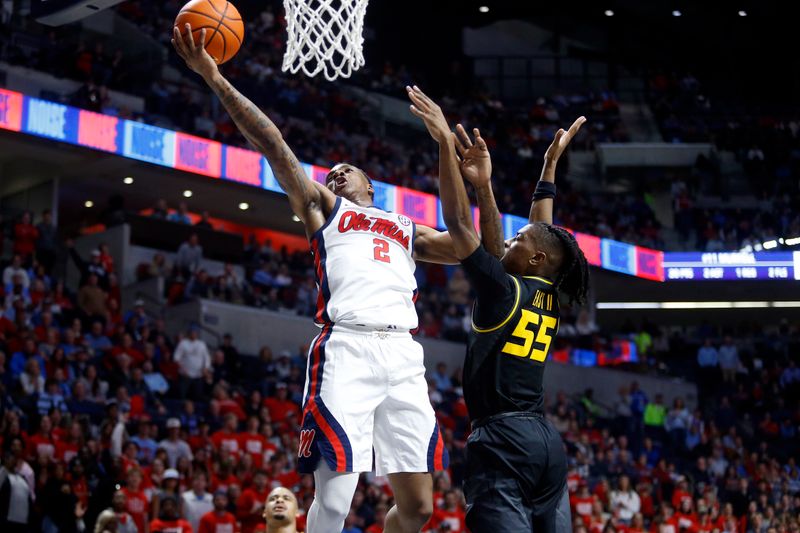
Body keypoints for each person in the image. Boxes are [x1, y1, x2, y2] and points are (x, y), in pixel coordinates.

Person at [173, 27, 503, 533]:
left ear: (372, 184)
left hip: (403, 354)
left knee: (419, 509)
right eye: (331, 173)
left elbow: (474, 247)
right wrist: (215, 78)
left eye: (345, 170)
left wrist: (448, 150)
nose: (335, 175)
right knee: (334, 502)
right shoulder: (323, 209)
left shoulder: (406, 228)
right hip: (346, 347)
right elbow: (274, 143)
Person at [407, 85, 588, 532]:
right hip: (545, 444)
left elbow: (458, 222)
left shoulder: (502, 292)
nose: (508, 241)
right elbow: (541, 228)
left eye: (516, 240)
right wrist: (548, 167)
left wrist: (445, 147)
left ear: (534, 260)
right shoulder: (547, 291)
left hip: (502, 440)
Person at [0, 449, 31, 532]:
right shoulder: (2, 474)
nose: (13, 461)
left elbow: (28, 498)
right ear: (5, 459)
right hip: (7, 520)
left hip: (22, 520)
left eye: (15, 459)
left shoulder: (22, 478)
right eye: (11, 458)